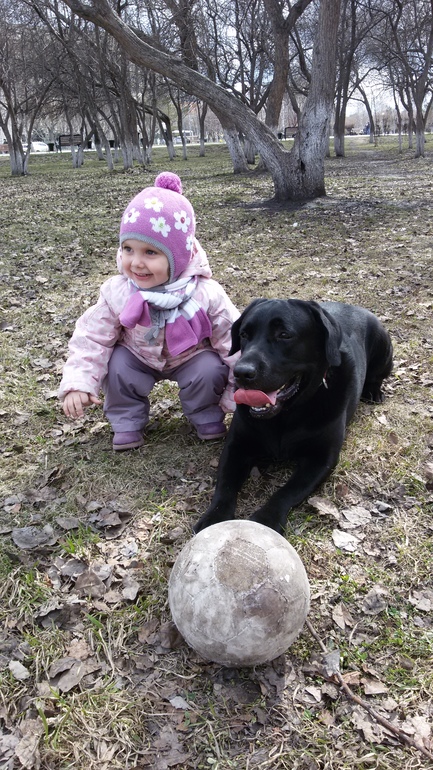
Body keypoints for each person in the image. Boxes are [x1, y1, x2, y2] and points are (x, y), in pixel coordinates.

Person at [58, 171, 239, 451]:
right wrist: (78, 382)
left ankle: (205, 413)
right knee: (118, 366)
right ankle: (127, 420)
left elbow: (234, 340)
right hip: (138, 355)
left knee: (209, 369)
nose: (136, 263)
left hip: (190, 356)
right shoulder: (118, 291)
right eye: (128, 249)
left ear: (178, 256)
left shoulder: (205, 293)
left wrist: (243, 388)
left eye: (150, 253)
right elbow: (91, 338)